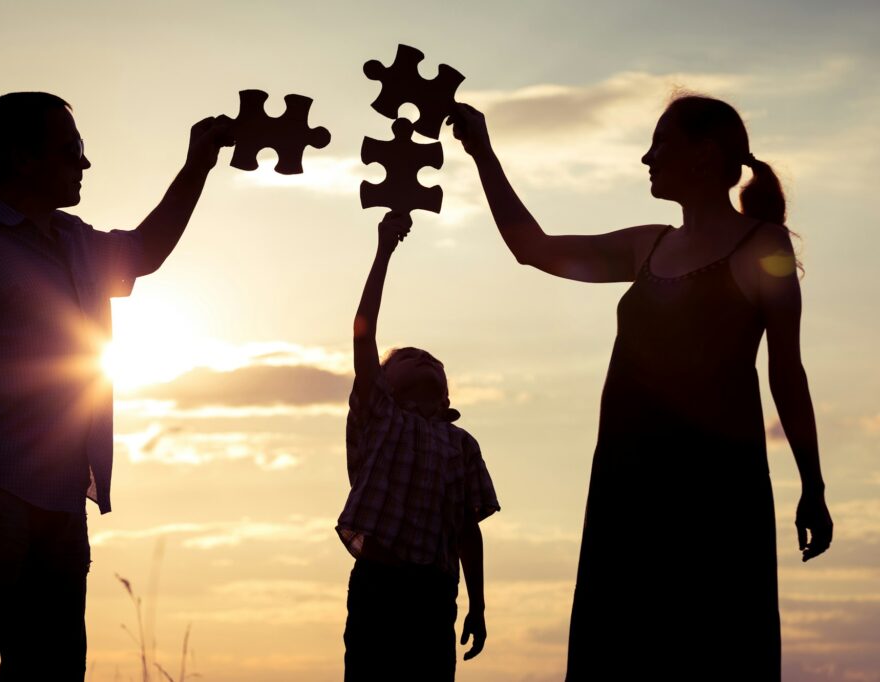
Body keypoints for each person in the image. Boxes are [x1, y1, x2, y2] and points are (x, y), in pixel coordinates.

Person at [449, 94, 833, 680]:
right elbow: (534, 249)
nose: (646, 157)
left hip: (714, 491)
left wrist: (813, 484)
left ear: (703, 155)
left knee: (710, 647)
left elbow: (787, 371)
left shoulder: (763, 246)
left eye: (661, 143)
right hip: (626, 486)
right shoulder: (647, 244)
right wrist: (482, 151)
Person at [0, 91, 232, 681]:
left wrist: (196, 168)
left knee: (51, 670)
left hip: (59, 506)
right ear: (20, 159)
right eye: (70, 150)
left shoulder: (78, 243)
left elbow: (146, 251)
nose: (84, 164)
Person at [336, 210, 501, 681]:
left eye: (431, 360)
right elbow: (363, 331)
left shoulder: (461, 444)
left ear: (447, 396)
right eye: (407, 358)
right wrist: (383, 251)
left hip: (434, 593)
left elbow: (468, 529)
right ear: (384, 385)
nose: (422, 359)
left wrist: (479, 603)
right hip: (380, 583)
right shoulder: (382, 417)